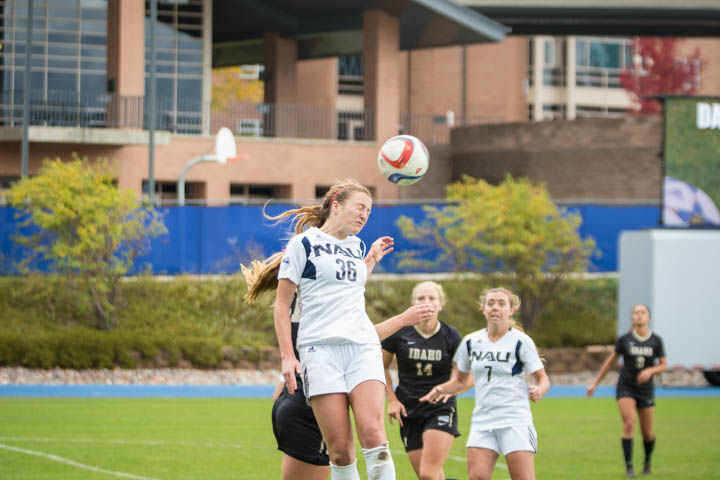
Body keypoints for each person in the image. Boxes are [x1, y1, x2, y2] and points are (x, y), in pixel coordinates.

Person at [243, 179, 419, 480]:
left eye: (369, 210)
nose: (365, 215)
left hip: (361, 347)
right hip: (319, 351)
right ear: (335, 206)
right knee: (340, 451)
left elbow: (351, 284)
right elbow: (282, 305)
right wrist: (288, 356)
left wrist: (371, 259)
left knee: (374, 433)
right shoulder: (304, 244)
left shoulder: (357, 245)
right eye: (360, 207)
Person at [266, 294, 436, 480]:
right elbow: (358, 339)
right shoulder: (322, 297)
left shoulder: (297, 300)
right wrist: (402, 320)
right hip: (310, 407)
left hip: (293, 400)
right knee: (351, 452)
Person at [420, 287, 550, 480]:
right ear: (483, 309)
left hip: (515, 421)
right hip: (483, 421)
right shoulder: (471, 341)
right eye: (490, 303)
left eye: (501, 304)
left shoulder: (521, 342)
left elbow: (543, 378)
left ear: (511, 310)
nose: (495, 308)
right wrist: (441, 389)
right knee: (477, 477)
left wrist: (539, 390)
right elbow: (461, 381)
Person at [381, 281, 469, 480]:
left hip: (440, 408)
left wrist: (448, 389)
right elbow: (380, 366)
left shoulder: (451, 336)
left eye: (432, 298)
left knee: (428, 474)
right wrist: (392, 399)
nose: (426, 302)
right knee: (429, 476)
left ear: (441, 304)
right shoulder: (400, 332)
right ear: (413, 303)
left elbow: (465, 377)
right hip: (408, 410)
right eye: (421, 298)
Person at [586, 304, 667, 478]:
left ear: (648, 318)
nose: (639, 316)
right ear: (632, 317)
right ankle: (629, 467)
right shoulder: (625, 340)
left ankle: (647, 461)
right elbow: (610, 362)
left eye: (642, 313)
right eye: (636, 313)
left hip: (645, 390)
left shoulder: (656, 341)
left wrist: (650, 371)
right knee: (629, 423)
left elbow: (663, 365)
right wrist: (595, 384)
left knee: (647, 433)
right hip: (626, 387)